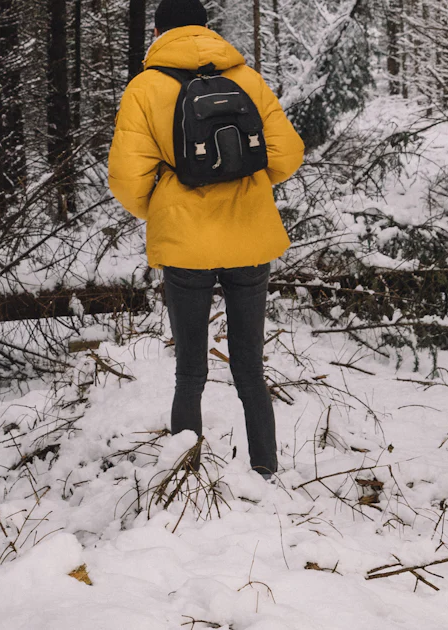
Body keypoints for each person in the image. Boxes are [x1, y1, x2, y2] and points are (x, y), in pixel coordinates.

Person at [107, 0, 304, 479]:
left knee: (190, 371)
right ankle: (265, 470)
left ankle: (187, 477)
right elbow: (287, 154)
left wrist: (163, 204)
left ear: (158, 31)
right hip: (249, 238)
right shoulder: (248, 78)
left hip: (185, 242)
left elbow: (126, 178)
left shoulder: (145, 86)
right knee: (250, 368)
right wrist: (249, 187)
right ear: (205, 28)